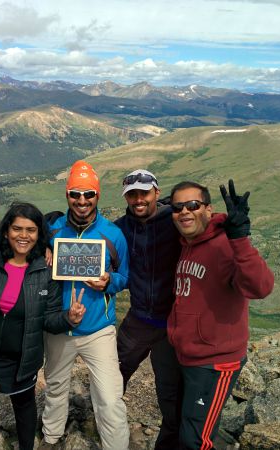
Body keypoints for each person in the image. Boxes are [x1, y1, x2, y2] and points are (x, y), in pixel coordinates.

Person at [0, 202, 86, 450]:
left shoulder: (46, 271)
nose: (23, 236)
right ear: (6, 231)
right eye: (17, 228)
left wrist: (69, 318)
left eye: (31, 230)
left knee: (25, 418)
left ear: (39, 235)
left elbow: (49, 318)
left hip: (21, 362)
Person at [167, 180, 274, 450]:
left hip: (215, 363)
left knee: (195, 440)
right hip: (190, 357)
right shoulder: (188, 243)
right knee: (189, 428)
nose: (185, 212)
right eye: (177, 207)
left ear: (208, 209)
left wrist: (240, 238)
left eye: (193, 205)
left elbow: (261, 286)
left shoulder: (226, 245)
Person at [39, 160, 130, 450]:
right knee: (55, 388)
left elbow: (124, 276)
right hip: (59, 328)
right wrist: (43, 250)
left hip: (98, 329)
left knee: (109, 395)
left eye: (88, 194)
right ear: (67, 195)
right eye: (75, 194)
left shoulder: (113, 234)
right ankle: (51, 439)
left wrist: (109, 282)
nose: (82, 201)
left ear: (97, 196)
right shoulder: (52, 231)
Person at [114, 169, 182, 449]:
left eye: (143, 192)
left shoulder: (177, 221)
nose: (138, 199)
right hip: (138, 319)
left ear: (156, 192)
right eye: (132, 194)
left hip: (172, 325)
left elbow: (208, 229)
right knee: (113, 377)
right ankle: (108, 426)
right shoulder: (121, 227)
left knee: (170, 392)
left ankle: (169, 443)